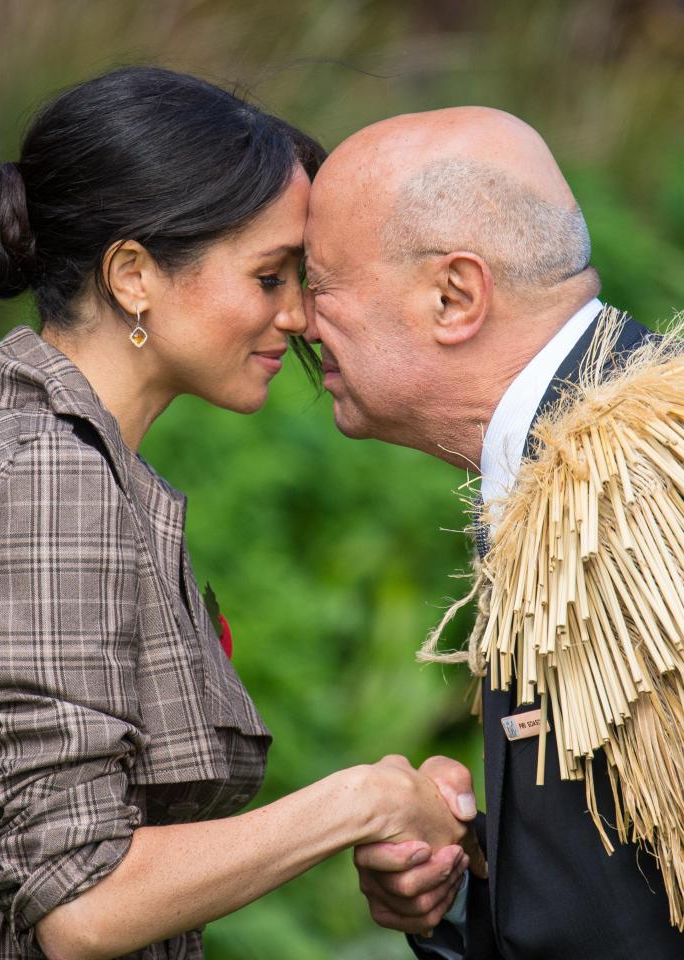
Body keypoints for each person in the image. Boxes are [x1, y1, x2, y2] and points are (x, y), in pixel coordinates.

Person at [0, 68, 478, 960]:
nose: (296, 316)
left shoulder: (50, 457)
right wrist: (360, 801)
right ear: (133, 274)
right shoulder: (46, 480)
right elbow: (83, 904)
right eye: (269, 275)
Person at [302, 106, 684, 959]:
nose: (295, 319)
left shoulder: (642, 490)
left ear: (453, 295)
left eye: (317, 283)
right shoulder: (569, 469)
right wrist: (470, 882)